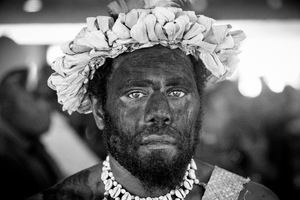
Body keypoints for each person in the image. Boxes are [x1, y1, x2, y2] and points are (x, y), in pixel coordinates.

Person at [27, 0, 280, 199]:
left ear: (199, 106)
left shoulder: (248, 198)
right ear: (100, 112)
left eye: (177, 92)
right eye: (136, 94)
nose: (160, 112)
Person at [0, 66, 63, 199]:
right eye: (36, 97)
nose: (48, 107)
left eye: (49, 98)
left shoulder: (31, 145)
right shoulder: (4, 155)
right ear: (5, 103)